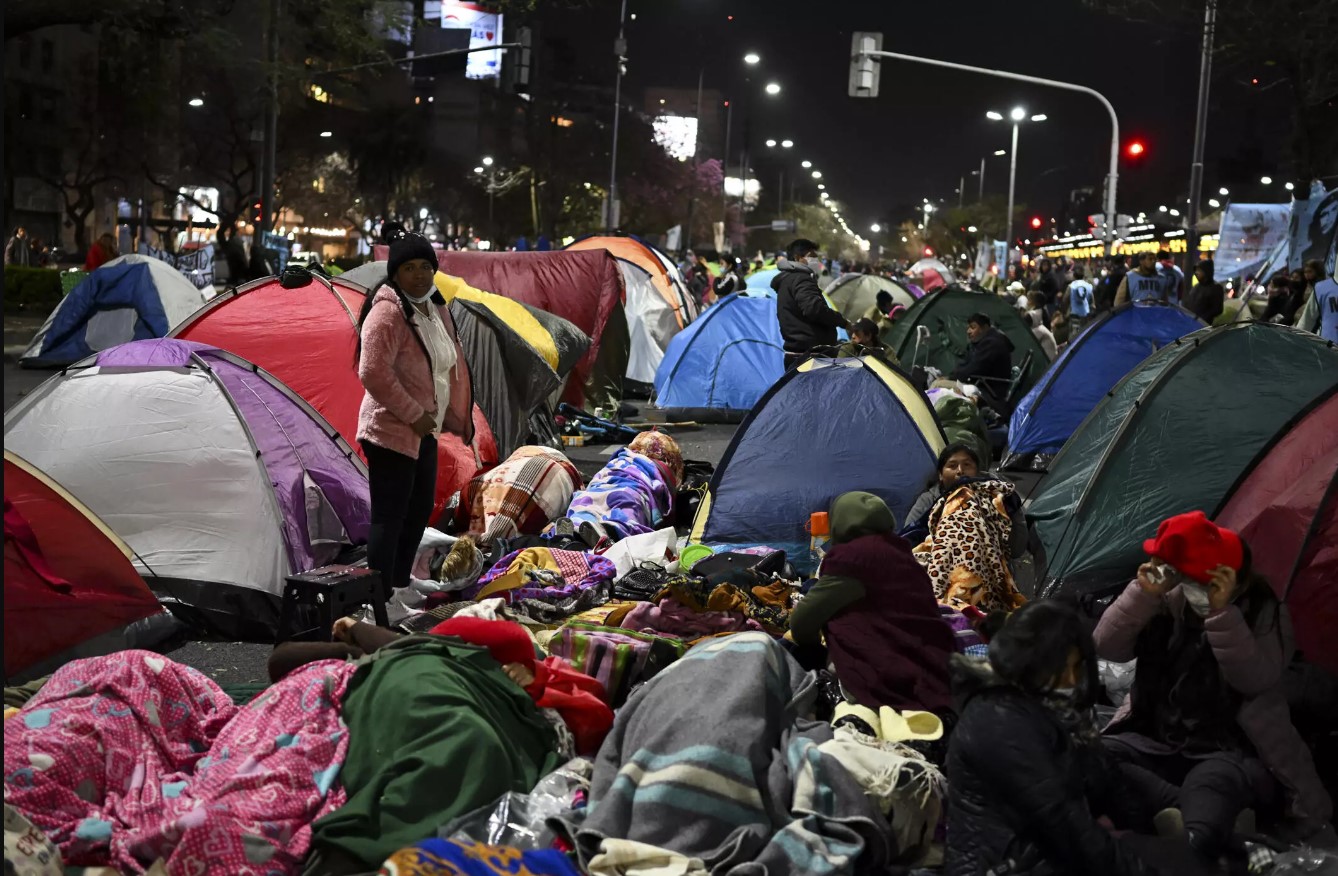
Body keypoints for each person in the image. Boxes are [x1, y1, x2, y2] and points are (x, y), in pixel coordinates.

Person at [1095, 511, 1333, 860]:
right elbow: (1105, 646)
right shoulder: (1167, 599)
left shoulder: (1263, 610)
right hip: (1158, 742)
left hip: (1227, 750)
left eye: (1203, 581)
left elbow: (1255, 678)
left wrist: (1222, 615)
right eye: (1187, 579)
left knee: (1210, 789)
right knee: (1094, 755)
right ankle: (1172, 811)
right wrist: (1141, 594)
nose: (1194, 589)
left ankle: (1193, 834)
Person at [946, 601, 1158, 876]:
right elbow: (1059, 818)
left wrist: (1147, 833)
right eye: (1059, 667)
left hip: (1042, 856)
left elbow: (1105, 781)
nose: (1070, 679)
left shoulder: (1054, 710)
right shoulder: (997, 717)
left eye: (1076, 667)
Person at [356, 230, 474, 607]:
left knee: (419, 509)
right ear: (395, 273)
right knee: (388, 518)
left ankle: (401, 581)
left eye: (426, 266)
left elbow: (446, 363)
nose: (420, 275)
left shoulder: (433, 307)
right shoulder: (387, 312)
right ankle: (380, 598)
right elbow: (372, 371)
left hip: (426, 429)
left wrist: (450, 416)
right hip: (390, 430)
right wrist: (412, 414)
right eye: (410, 268)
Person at [789, 491, 957, 715]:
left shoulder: (851, 559)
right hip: (935, 662)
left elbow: (802, 624)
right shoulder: (900, 550)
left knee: (790, 651)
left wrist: (814, 649)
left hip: (887, 672)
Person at [774, 238, 847, 367]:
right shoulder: (801, 279)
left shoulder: (788, 279)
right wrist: (842, 321)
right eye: (811, 256)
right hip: (811, 356)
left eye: (816, 257)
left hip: (798, 354)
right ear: (797, 257)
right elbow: (814, 309)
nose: (815, 261)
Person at [949, 313, 1013, 387]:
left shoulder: (991, 344)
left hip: (988, 392)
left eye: (973, 327)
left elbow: (973, 369)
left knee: (937, 385)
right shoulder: (983, 343)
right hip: (982, 386)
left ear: (985, 328)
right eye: (968, 328)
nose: (968, 331)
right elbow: (967, 363)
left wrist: (951, 378)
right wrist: (953, 375)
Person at [1293, 259, 1337, 341]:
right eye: (1305, 272)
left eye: (1310, 272)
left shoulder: (1322, 287)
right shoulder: (1312, 286)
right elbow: (1307, 320)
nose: (1307, 275)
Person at [1182, 260, 1224, 324]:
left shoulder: (1215, 288)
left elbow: (1217, 309)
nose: (1196, 273)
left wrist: (1202, 318)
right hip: (1189, 322)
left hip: (1203, 325)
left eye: (1199, 270)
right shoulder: (1196, 287)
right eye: (1196, 270)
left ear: (1206, 272)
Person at [1068, 264, 1094, 335]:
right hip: (1086, 313)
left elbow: (1065, 300)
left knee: (1074, 333)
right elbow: (1092, 301)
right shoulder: (1088, 285)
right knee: (1085, 331)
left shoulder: (1071, 286)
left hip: (1074, 313)